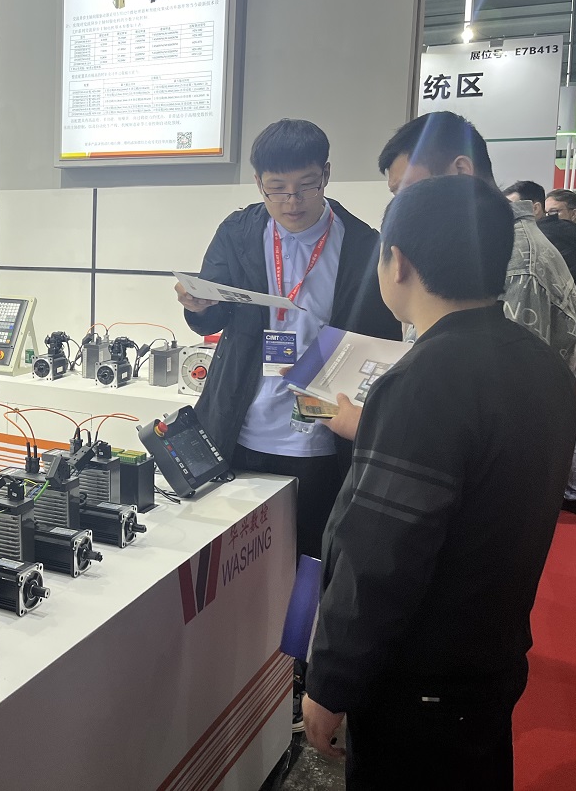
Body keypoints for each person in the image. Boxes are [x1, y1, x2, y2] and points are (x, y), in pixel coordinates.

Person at [302, 175, 576, 790]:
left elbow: (380, 558)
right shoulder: (541, 364)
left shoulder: (422, 380)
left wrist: (331, 682)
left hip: (417, 681)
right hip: (491, 655)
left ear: (397, 262)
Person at [174, 118, 400, 733]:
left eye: (304, 186)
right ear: (259, 184)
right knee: (234, 555)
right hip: (241, 424)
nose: (291, 202)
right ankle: (238, 664)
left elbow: (379, 335)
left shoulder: (364, 243)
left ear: (326, 175)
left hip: (321, 433)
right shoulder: (240, 231)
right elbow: (210, 316)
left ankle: (297, 672)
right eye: (276, 189)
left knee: (309, 561)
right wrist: (198, 305)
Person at [327, 111, 576, 441]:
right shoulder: (471, 243)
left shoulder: (517, 262)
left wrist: (379, 429)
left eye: (407, 190)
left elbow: (504, 414)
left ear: (461, 171)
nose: (402, 207)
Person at [502, 182, 576, 517]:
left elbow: (524, 322)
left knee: (550, 414)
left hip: (549, 341)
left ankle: (569, 491)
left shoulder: (528, 249)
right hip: (570, 338)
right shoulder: (569, 238)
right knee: (564, 412)